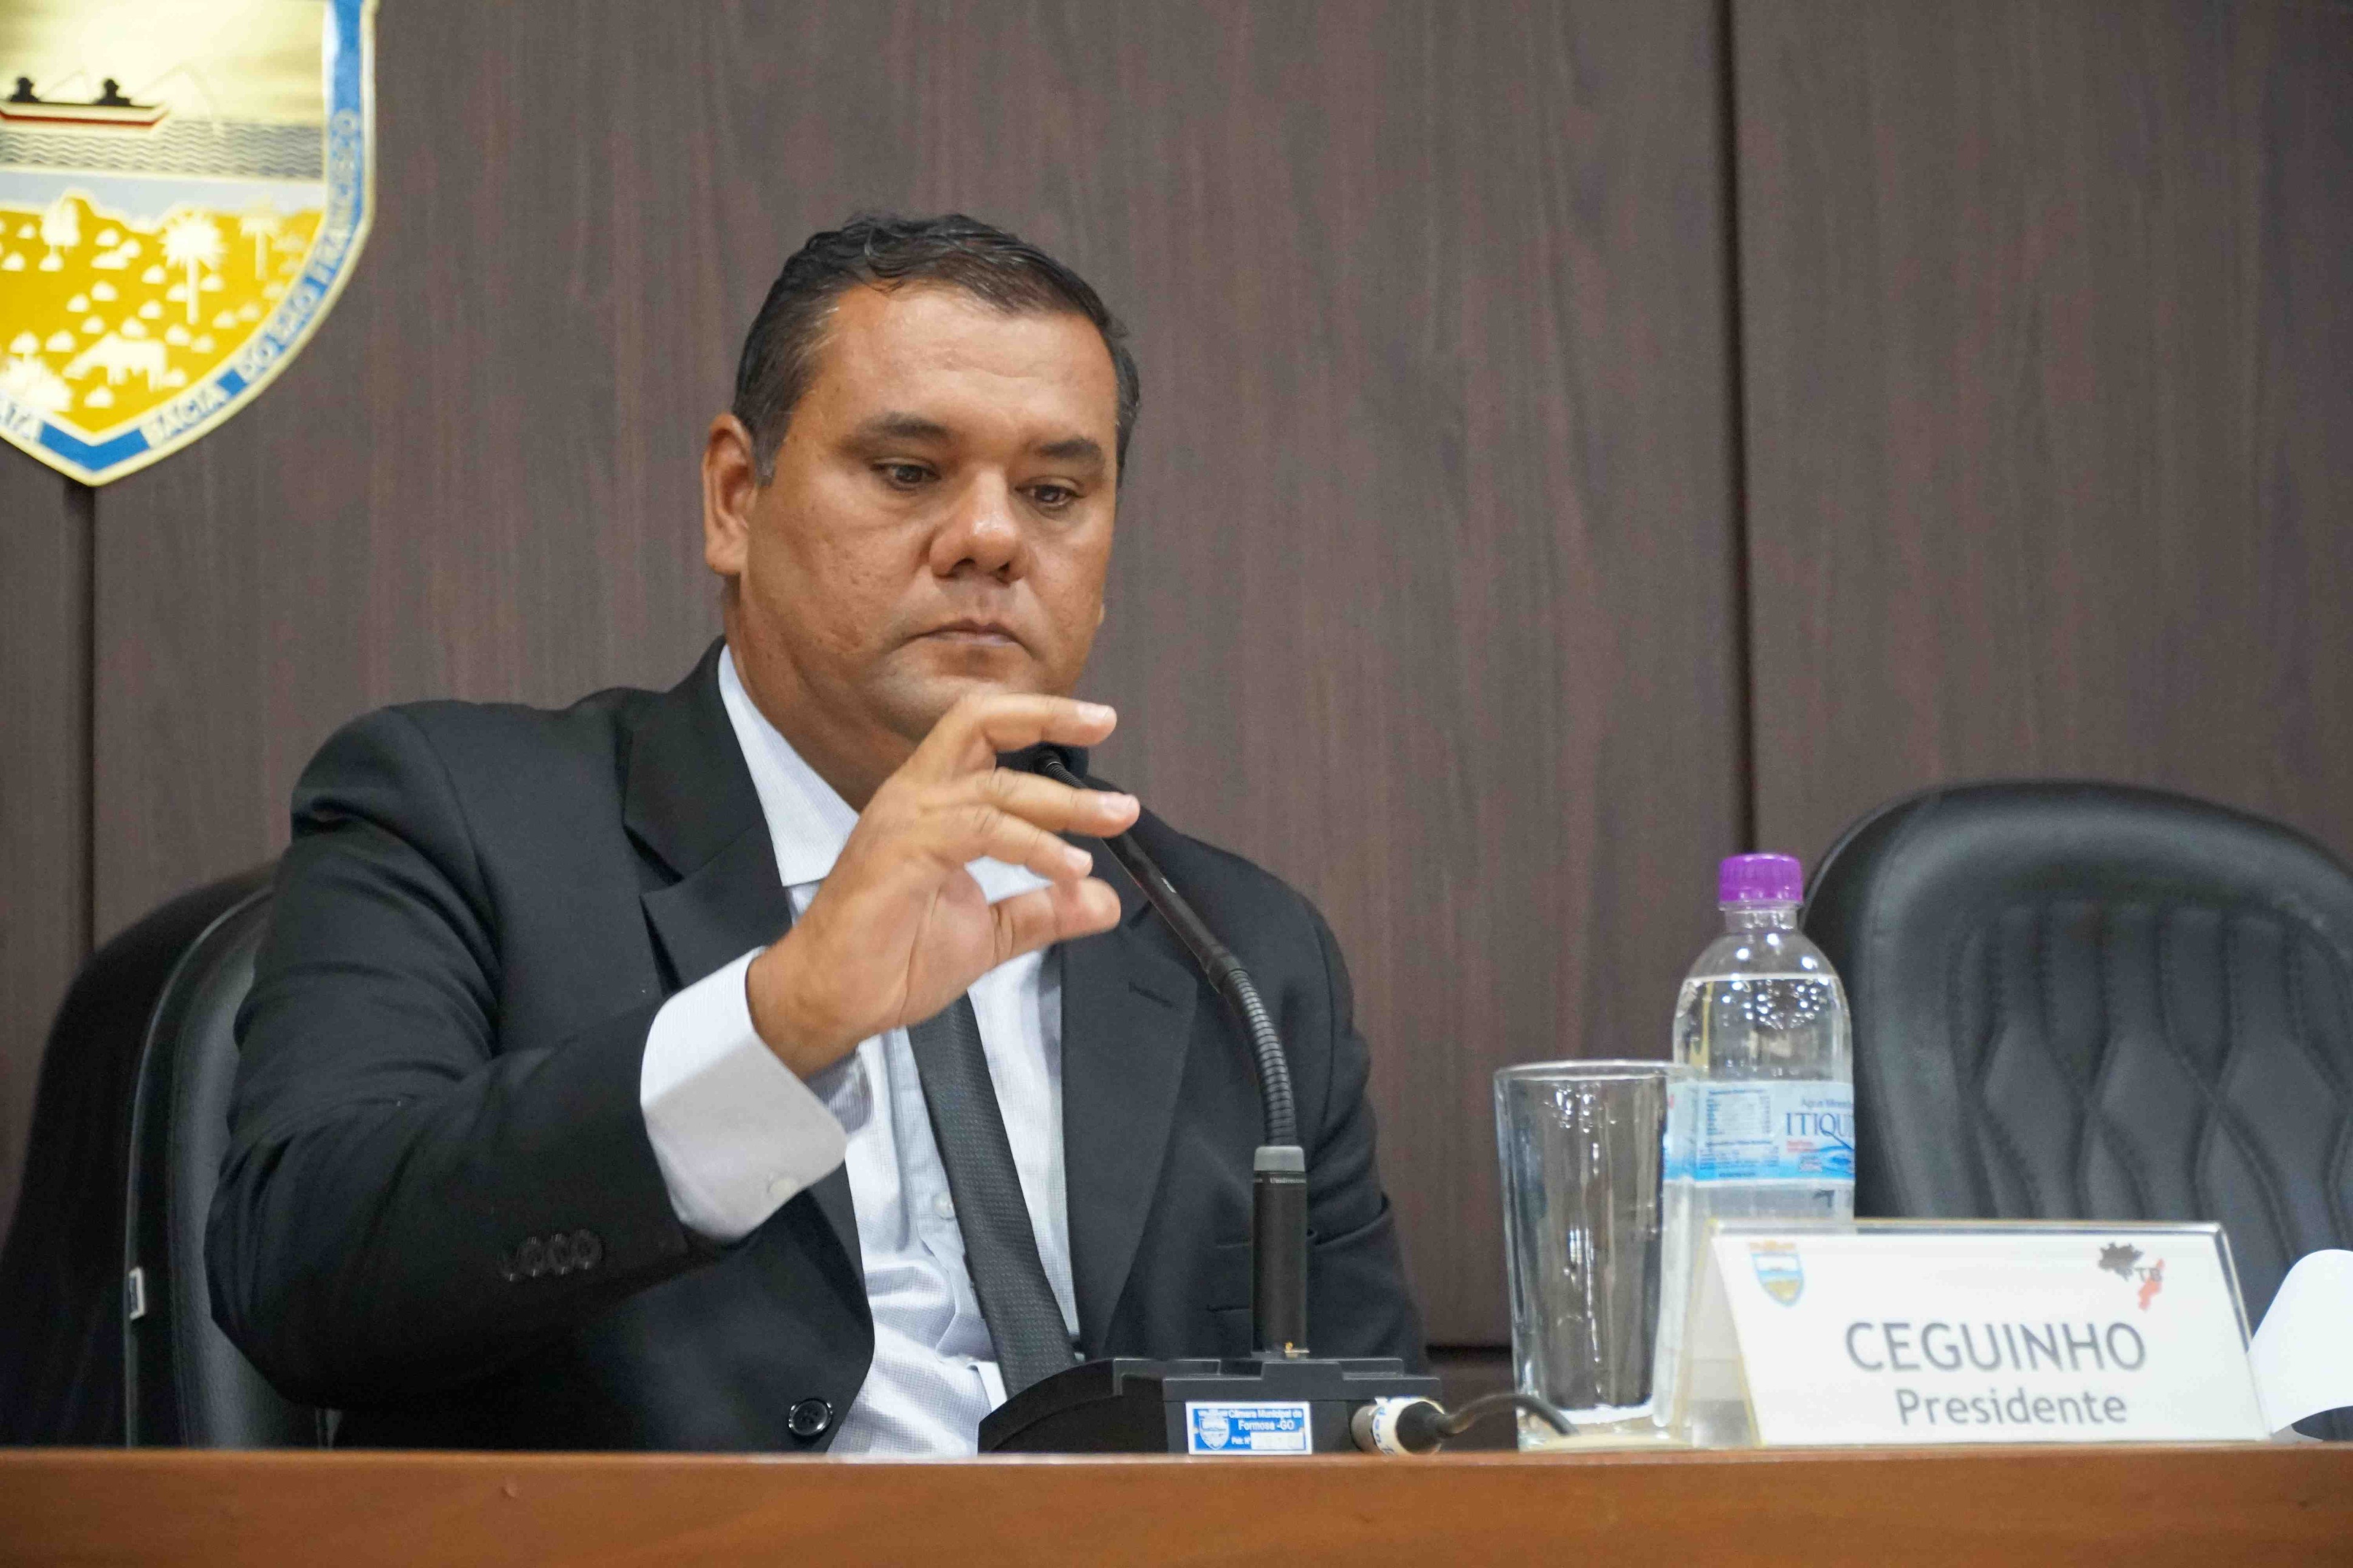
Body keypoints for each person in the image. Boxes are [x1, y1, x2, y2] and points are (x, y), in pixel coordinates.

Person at [208, 213, 1424, 1452]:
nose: (993, 539)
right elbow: (300, 1268)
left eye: (1054, 493)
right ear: (736, 498)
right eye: (907, 472)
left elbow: (1380, 1454)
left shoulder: (1238, 952)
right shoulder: (460, 817)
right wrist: (776, 1023)